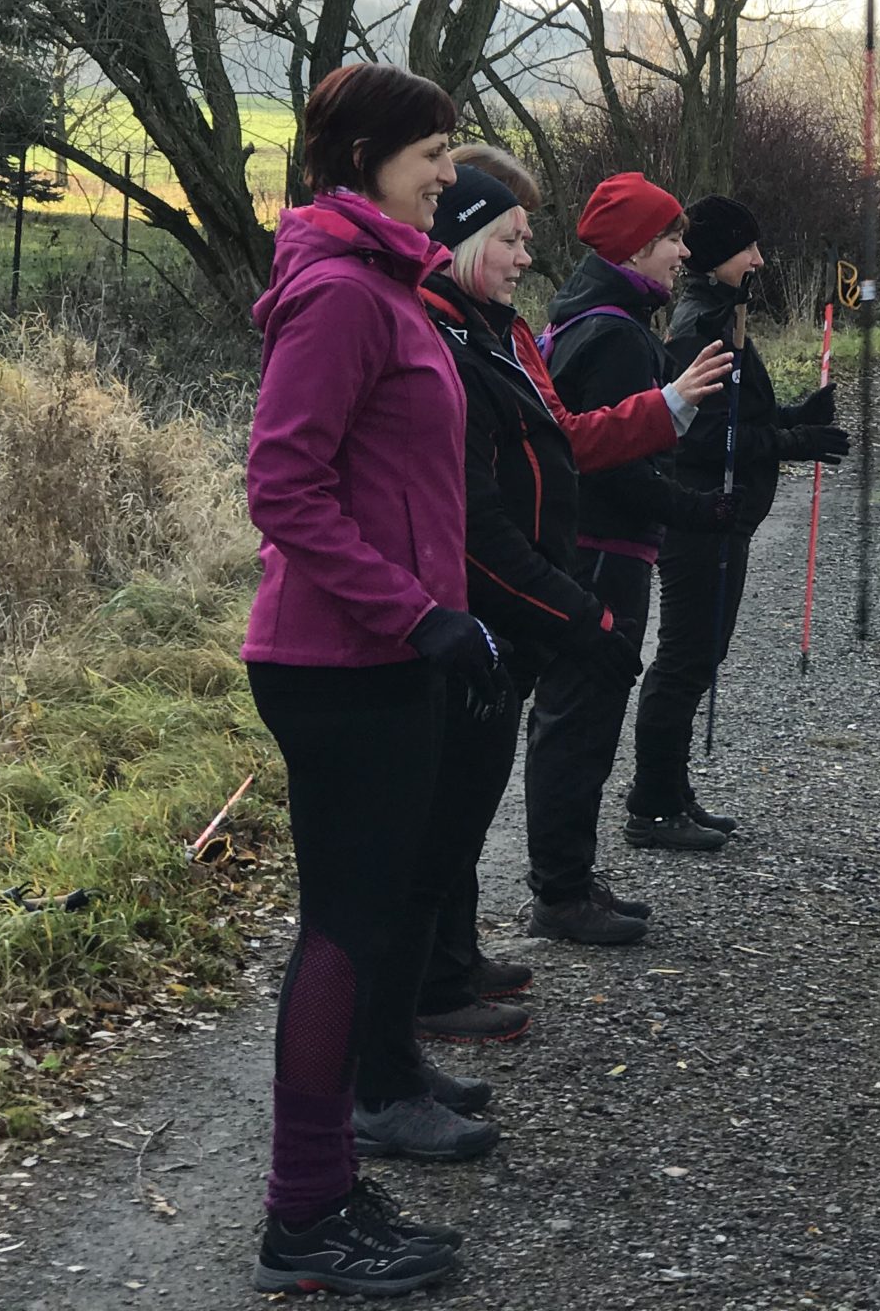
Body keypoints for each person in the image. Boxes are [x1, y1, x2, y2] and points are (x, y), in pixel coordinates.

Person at [239, 63, 500, 1296]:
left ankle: (328, 1183)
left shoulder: (392, 289)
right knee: (342, 933)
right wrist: (417, 614)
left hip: (384, 652)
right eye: (432, 153)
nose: (449, 174)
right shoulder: (343, 295)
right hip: (338, 661)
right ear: (361, 161)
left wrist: (443, 620)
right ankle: (304, 1214)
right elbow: (282, 488)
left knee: (369, 918)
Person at [409, 163, 732, 1042]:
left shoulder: (507, 333)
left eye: (526, 238)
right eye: (510, 239)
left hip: (534, 578)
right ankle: (449, 968)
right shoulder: (450, 335)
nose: (526, 256)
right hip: (505, 584)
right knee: (477, 778)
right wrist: (571, 602)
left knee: (478, 784)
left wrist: (666, 407)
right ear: (467, 239)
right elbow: (482, 497)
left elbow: (565, 440)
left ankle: (456, 954)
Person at [531, 172, 740, 943]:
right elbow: (613, 462)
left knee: (575, 717)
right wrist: (698, 511)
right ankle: (561, 891)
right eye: (671, 240)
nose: (683, 254)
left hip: (584, 544)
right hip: (601, 553)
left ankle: (572, 878)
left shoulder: (582, 317)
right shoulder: (618, 334)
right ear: (636, 247)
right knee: (582, 720)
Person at [629, 196, 850, 846]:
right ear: (720, 252)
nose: (758, 258)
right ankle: (652, 805)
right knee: (684, 659)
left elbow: (737, 420)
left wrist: (791, 417)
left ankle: (672, 791)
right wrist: (793, 442)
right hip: (700, 516)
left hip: (725, 519)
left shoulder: (724, 314)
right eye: (747, 247)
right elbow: (699, 441)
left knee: (700, 656)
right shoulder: (700, 327)